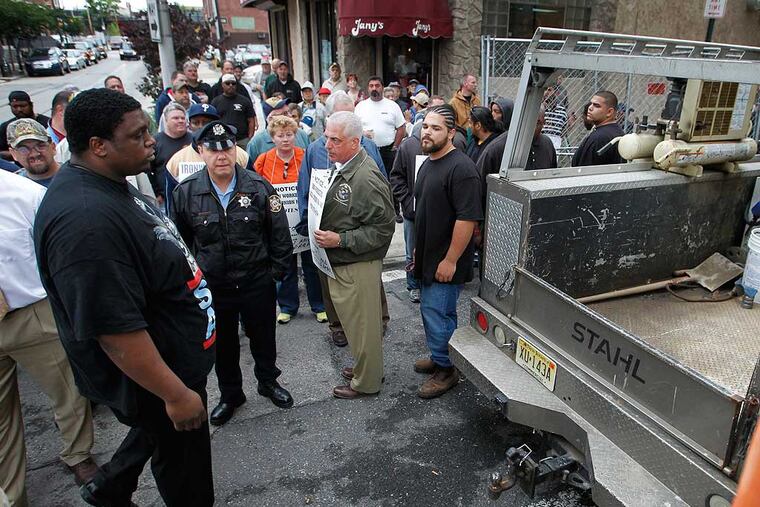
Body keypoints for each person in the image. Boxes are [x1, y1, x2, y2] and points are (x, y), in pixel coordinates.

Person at [34, 88, 215, 506]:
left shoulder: (111, 180)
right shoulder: (85, 222)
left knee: (163, 437)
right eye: (137, 135)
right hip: (159, 379)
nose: (151, 140)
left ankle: (110, 485)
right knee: (186, 473)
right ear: (98, 146)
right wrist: (175, 394)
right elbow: (115, 332)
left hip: (175, 362)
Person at [172, 121, 294, 426]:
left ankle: (268, 382)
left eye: (226, 147)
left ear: (235, 149)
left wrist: (275, 274)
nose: (220, 155)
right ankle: (230, 394)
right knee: (223, 344)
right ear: (201, 152)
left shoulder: (258, 186)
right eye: (212, 149)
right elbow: (181, 245)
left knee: (263, 338)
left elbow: (279, 234)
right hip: (215, 286)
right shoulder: (186, 193)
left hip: (256, 281)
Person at [0, 169, 97, 507]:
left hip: (30, 313)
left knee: (68, 391)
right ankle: (11, 496)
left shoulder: (23, 194)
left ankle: (78, 453)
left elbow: (59, 250)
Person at [295, 91, 389, 347]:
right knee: (331, 285)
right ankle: (338, 325)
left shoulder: (367, 147)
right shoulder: (315, 150)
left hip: (356, 235)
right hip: (326, 234)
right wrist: (309, 224)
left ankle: (378, 320)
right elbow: (305, 189)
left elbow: (381, 182)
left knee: (368, 284)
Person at [314, 111, 395, 399]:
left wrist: (341, 239)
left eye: (335, 140)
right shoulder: (347, 164)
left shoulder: (365, 176)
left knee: (363, 327)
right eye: (327, 138)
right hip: (346, 260)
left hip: (357, 262)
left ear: (355, 141)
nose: (327, 145)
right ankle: (367, 367)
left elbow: (383, 230)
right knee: (359, 326)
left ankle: (366, 382)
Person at [413, 104, 483, 399]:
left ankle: (447, 370)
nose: (426, 132)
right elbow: (427, 212)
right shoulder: (429, 162)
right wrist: (418, 249)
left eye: (435, 128)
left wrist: (451, 260)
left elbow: (467, 219)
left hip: (446, 261)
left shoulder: (462, 169)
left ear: (452, 133)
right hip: (429, 256)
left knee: (436, 312)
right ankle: (444, 354)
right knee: (440, 313)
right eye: (425, 126)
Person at [254, 115, 326, 324]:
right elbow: (256, 187)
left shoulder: (305, 155)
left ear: (295, 136)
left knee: (311, 265)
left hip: (303, 219)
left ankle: (319, 305)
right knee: (285, 265)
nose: (285, 139)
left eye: (289, 135)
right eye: (280, 135)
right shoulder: (264, 160)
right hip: (278, 222)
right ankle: (287, 306)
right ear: (272, 138)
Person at [354, 76, 406, 221]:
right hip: (366, 150)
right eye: (371, 86)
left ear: (382, 87)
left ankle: (394, 211)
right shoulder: (360, 106)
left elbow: (401, 128)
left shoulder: (392, 106)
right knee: (367, 180)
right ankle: (368, 211)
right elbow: (354, 128)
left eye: (377, 85)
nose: (374, 88)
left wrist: (395, 146)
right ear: (367, 88)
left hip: (388, 150)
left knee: (391, 180)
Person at [389, 111, 425, 303]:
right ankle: (413, 285)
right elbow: (396, 178)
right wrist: (408, 202)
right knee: (411, 248)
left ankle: (427, 282)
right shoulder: (408, 146)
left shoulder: (445, 147)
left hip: (432, 212)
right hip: (412, 212)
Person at [151, 104, 193, 207]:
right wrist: (156, 193)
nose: (180, 121)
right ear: (166, 121)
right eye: (175, 118)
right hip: (166, 199)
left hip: (193, 198)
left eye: (183, 118)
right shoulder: (155, 142)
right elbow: (149, 170)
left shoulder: (195, 140)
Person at [246, 97, 311, 162]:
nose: (290, 116)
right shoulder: (256, 143)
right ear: (270, 119)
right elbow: (249, 170)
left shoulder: (302, 135)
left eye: (289, 112)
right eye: (285, 113)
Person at [571, 91, 625, 167]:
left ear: (609, 112)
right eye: (591, 104)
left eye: (596, 105)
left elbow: (584, 171)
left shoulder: (600, 137)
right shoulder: (616, 131)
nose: (590, 108)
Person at [6, 118, 60, 187]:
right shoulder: (12, 188)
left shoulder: (75, 176)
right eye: (23, 149)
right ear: (14, 154)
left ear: (53, 147)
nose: (34, 154)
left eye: (40, 146)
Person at [0, 91, 50, 161]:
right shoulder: (6, 127)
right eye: (15, 106)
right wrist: (20, 153)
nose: (19, 109)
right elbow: (1, 152)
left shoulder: (47, 123)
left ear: (31, 105)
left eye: (23, 106)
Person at [211, 74, 256, 147]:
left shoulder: (244, 101)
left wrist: (250, 137)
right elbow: (212, 121)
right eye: (227, 83)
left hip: (242, 140)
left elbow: (251, 120)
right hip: (222, 139)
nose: (231, 85)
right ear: (222, 85)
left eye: (233, 83)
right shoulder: (215, 102)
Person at [542, 85, 568, 150]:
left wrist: (570, 125)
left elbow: (562, 131)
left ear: (556, 93)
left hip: (555, 143)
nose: (546, 92)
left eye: (549, 90)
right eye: (545, 90)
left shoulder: (562, 111)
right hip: (540, 141)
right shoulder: (537, 109)